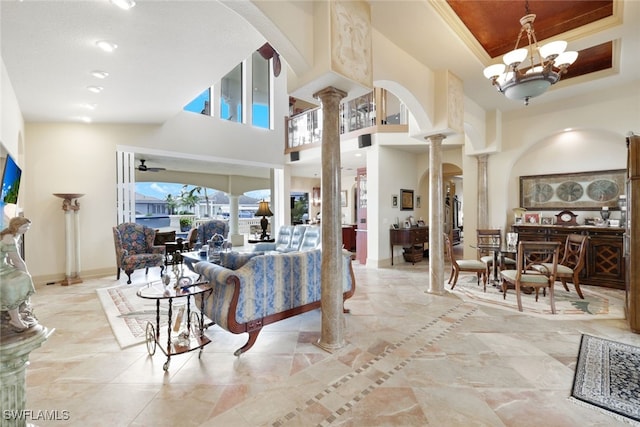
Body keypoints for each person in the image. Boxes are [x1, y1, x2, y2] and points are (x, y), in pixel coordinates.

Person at [1, 217, 38, 332]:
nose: (26, 229)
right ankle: (14, 319)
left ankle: (20, 312)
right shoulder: (9, 238)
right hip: (1, 269)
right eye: (24, 227)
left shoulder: (12, 235)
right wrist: (26, 273)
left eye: (28, 226)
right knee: (15, 282)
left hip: (3, 267)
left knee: (22, 277)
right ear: (16, 227)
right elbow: (17, 261)